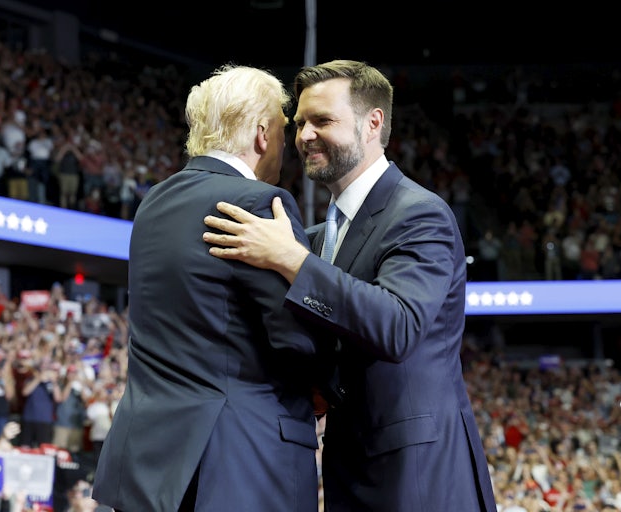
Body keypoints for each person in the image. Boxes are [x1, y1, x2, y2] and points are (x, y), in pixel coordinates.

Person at [202, 60, 497, 512]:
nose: (303, 136)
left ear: (372, 123)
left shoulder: (421, 214)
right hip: (349, 468)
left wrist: (292, 260)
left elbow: (397, 325)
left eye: (322, 120)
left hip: (419, 477)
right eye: (299, 123)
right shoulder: (319, 235)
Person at [92, 64, 330, 512]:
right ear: (262, 133)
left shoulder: (153, 203)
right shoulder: (260, 202)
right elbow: (297, 338)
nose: (288, 145)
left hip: (150, 463)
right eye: (282, 129)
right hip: (240, 462)